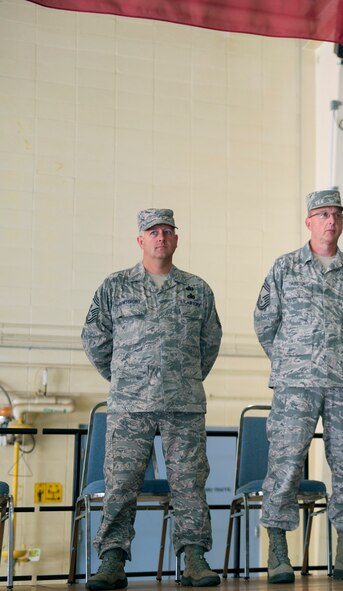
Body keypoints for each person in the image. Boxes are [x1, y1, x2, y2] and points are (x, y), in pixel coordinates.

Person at [81, 209, 223, 590]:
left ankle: (194, 557)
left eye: (167, 231)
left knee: (190, 483)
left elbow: (210, 343)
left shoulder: (198, 289)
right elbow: (94, 339)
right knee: (121, 483)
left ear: (176, 239)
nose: (161, 237)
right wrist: (125, 378)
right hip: (130, 406)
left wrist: (184, 378)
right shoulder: (116, 287)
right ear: (140, 240)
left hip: (184, 404)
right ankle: (112, 560)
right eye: (153, 231)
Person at [253, 189, 343, 582]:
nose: (330, 221)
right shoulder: (285, 267)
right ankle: (277, 555)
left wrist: (340, 361)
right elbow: (265, 324)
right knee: (285, 464)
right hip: (296, 385)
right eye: (322, 214)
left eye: (336, 214)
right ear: (309, 221)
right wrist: (292, 361)